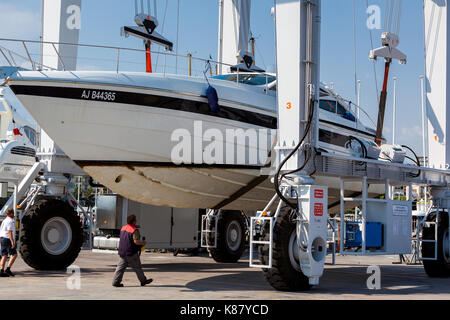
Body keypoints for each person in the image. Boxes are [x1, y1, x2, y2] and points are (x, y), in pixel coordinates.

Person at [112, 214, 153, 287]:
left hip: (122, 252)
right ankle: (143, 281)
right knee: (137, 267)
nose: (136, 221)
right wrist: (143, 243)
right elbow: (136, 241)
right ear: (133, 221)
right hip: (131, 252)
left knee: (120, 268)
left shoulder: (123, 228)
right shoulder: (134, 230)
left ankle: (115, 282)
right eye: (135, 220)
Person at [0, 209, 18, 277]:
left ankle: (1, 271)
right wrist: (12, 242)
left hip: (2, 238)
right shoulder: (10, 221)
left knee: (4, 255)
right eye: (13, 213)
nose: (13, 214)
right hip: (7, 239)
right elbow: (9, 232)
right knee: (14, 254)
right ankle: (8, 269)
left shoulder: (5, 220)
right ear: (11, 214)